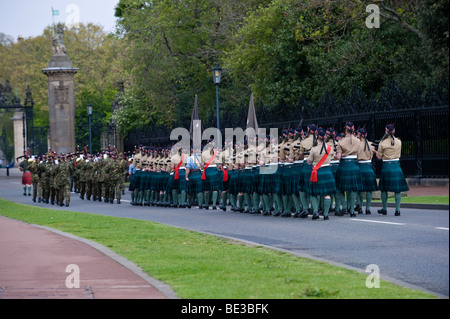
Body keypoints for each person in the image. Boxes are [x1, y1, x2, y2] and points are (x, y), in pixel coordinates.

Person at [375, 124, 409, 216]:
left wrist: (376, 152)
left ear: (386, 131)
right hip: (396, 166)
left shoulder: (382, 143)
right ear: (394, 131)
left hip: (387, 166)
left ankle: (384, 209)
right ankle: (397, 210)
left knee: (384, 189)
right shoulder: (399, 141)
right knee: (397, 190)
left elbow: (379, 156)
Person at [307, 127, 336, 220]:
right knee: (327, 194)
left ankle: (315, 211)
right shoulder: (330, 148)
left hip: (317, 173)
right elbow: (332, 156)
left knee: (315, 194)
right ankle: (326, 214)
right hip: (328, 172)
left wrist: (309, 160)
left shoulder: (313, 149)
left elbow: (309, 161)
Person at [335, 122, 362, 217]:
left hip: (344, 165)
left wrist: (333, 156)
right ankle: (351, 211)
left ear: (345, 130)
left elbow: (338, 157)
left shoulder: (341, 141)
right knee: (353, 188)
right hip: (354, 165)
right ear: (353, 129)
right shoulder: (358, 141)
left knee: (340, 188)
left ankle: (344, 208)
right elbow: (358, 155)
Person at [356, 128, 377, 214]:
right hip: (369, 168)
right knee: (369, 190)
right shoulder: (371, 144)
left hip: (360, 167)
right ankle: (368, 208)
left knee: (359, 189)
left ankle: (360, 206)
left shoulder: (356, 144)